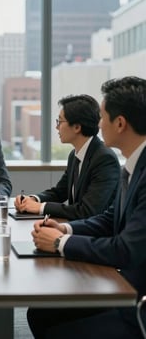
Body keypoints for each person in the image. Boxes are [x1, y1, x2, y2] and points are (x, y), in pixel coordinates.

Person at [28, 76, 146, 339]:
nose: (98, 124)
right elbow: (109, 219)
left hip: (135, 301)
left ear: (120, 123)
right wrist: (65, 228)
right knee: (39, 312)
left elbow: (126, 249)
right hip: (124, 283)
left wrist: (60, 243)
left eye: (102, 117)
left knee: (52, 324)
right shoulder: (132, 165)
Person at [14, 94, 120, 220]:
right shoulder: (75, 154)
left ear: (77, 127)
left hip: (97, 236)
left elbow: (87, 211)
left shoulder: (105, 159)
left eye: (60, 121)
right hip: (78, 230)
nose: (57, 127)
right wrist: (33, 199)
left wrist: (40, 207)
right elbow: (60, 192)